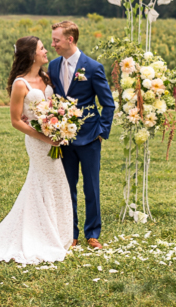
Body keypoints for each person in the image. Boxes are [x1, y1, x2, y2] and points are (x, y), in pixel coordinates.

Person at [0, 36, 73, 264]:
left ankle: (58, 233)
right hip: (38, 142)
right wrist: (43, 136)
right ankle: (39, 233)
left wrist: (58, 129)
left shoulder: (45, 77)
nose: (46, 50)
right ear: (32, 55)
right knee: (41, 181)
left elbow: (53, 107)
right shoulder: (21, 84)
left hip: (52, 138)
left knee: (57, 180)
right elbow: (16, 120)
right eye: (42, 48)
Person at [48, 20, 115, 249]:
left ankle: (93, 233)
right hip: (63, 139)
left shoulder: (93, 67)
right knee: (67, 187)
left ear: (70, 39)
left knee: (91, 188)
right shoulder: (53, 65)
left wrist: (102, 132)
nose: (53, 43)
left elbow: (108, 104)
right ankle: (71, 233)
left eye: (56, 40)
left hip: (89, 138)